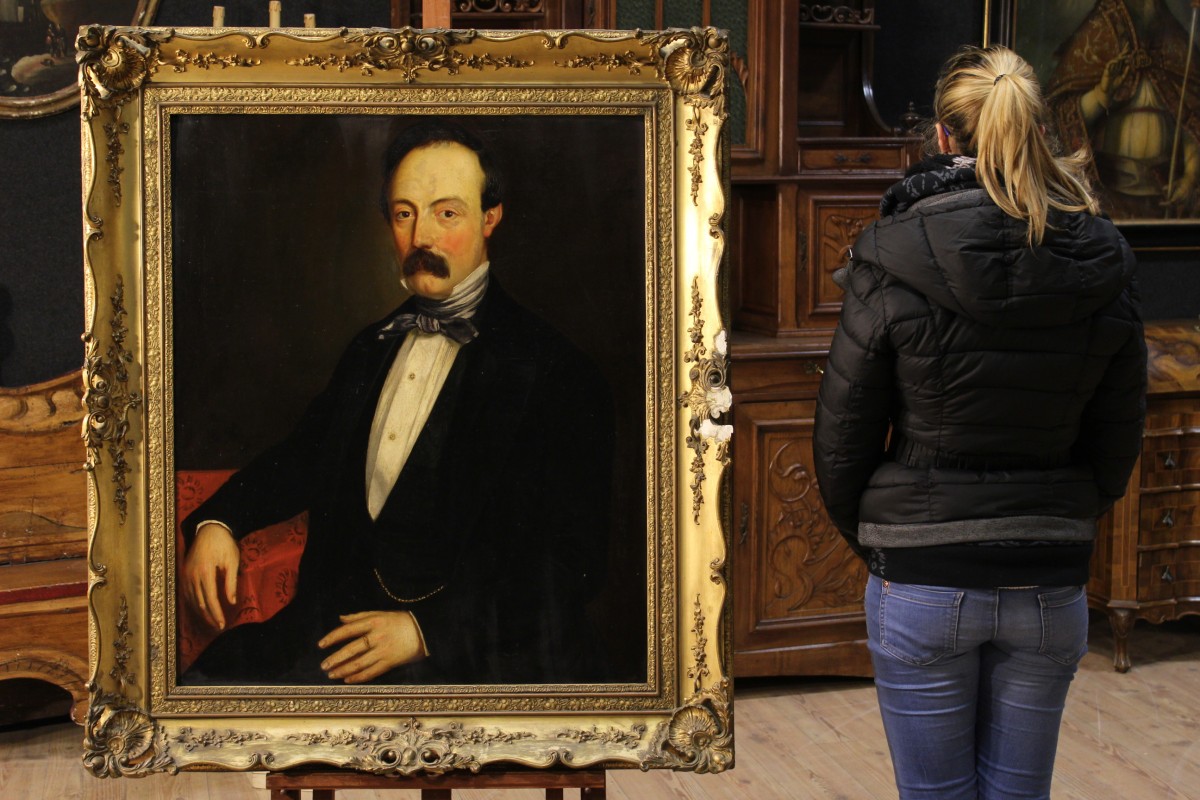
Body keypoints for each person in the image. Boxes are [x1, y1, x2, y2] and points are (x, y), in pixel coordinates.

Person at [813, 45, 1146, 799]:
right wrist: (1060, 518)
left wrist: (888, 539)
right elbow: (1118, 438)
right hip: (1048, 575)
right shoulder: (1104, 257)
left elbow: (841, 441)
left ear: (941, 135)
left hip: (923, 575)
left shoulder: (890, 252)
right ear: (1040, 131)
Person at [180, 120, 615, 686]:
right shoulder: (372, 347)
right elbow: (305, 457)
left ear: (491, 218)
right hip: (336, 633)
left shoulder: (557, 372)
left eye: (447, 213)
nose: (421, 237)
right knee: (206, 685)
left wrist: (424, 631)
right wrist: (220, 521)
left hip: (475, 658)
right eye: (404, 214)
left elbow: (573, 564)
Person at [1045, 0, 1200, 219]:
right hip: (1109, 195)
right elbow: (1061, 114)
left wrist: (1190, 178)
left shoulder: (1174, 40)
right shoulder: (1099, 30)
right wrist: (1101, 94)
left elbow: (1191, 117)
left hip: (1164, 194)